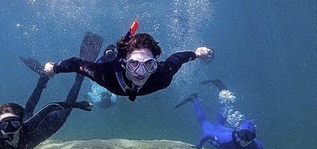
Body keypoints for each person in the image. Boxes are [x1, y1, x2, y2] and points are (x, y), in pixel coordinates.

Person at [42, 20, 213, 101]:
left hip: (120, 74)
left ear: (156, 64)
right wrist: (55, 68)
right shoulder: (104, 74)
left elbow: (178, 59)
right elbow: (75, 63)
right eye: (134, 64)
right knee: (108, 57)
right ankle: (111, 50)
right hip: (112, 65)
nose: (140, 72)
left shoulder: (163, 75)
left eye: (149, 64)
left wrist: (196, 54)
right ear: (125, 63)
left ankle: (114, 50)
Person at [174, 80, 263, 149]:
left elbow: (258, 147)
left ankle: (224, 94)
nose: (244, 140)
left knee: (220, 123)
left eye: (249, 137)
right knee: (204, 123)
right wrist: (199, 145)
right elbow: (207, 134)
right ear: (238, 133)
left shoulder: (257, 147)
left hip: (224, 132)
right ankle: (194, 99)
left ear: (253, 138)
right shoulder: (225, 139)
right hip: (218, 132)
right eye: (242, 134)